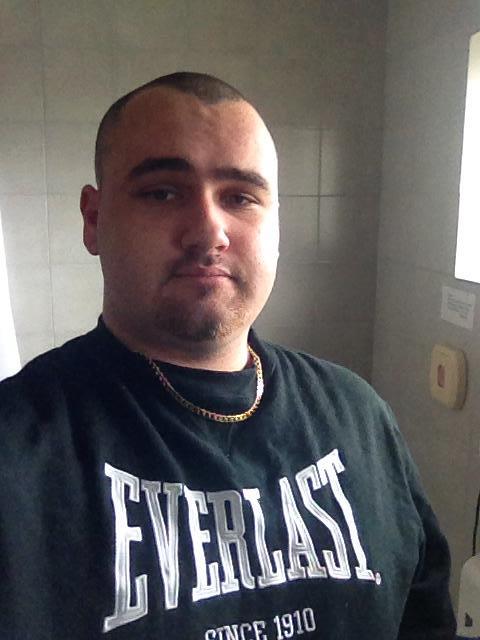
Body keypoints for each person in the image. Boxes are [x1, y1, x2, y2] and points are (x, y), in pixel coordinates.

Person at [0, 72, 456, 639]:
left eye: (240, 197)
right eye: (162, 192)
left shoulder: (359, 417)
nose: (208, 231)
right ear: (94, 220)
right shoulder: (19, 452)